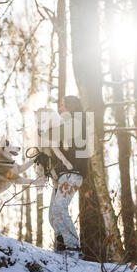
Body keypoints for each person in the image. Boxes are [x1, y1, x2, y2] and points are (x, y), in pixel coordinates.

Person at [47, 95, 89, 258]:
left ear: (71, 106)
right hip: (61, 174)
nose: (60, 108)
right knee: (52, 213)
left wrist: (45, 131)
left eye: (63, 105)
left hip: (74, 172)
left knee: (59, 208)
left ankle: (73, 248)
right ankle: (62, 246)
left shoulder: (79, 121)